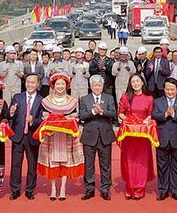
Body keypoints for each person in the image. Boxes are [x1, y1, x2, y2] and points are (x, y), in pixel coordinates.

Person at [38, 72, 82, 201]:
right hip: (51, 135)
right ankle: (53, 188)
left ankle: (63, 188)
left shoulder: (72, 101)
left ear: (66, 85)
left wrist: (69, 119)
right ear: (53, 85)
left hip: (66, 135)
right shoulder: (46, 101)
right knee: (52, 160)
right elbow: (44, 116)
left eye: (63, 84)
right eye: (58, 84)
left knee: (66, 160)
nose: (60, 86)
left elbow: (74, 117)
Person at [79, 74, 117, 201]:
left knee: (105, 164)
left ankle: (105, 188)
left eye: (99, 85)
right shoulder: (84, 99)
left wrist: (102, 112)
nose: (97, 87)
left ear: (103, 86)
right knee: (89, 165)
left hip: (105, 135)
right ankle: (89, 188)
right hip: (89, 136)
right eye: (94, 85)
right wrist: (93, 112)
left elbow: (113, 113)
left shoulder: (109, 98)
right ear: (90, 86)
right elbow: (82, 116)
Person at [117, 73, 155, 200]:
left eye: (138, 81)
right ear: (130, 84)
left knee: (142, 161)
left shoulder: (149, 98)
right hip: (129, 134)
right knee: (129, 161)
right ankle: (129, 187)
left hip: (143, 135)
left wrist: (147, 120)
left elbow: (150, 114)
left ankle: (139, 188)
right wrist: (128, 120)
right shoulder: (125, 97)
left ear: (142, 82)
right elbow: (121, 113)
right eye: (133, 82)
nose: (135, 84)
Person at [7, 73, 44, 200]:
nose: (30, 84)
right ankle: (15, 189)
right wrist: (11, 113)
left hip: (32, 136)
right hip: (18, 135)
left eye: (33, 82)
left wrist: (33, 120)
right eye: (28, 82)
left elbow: (42, 120)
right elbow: (11, 115)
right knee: (16, 164)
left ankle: (29, 190)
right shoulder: (17, 97)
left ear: (38, 84)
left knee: (32, 165)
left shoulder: (41, 100)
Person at [151, 79, 177, 201]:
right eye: (168, 89)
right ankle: (163, 190)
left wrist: (173, 115)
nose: (170, 91)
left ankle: (176, 191)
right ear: (164, 89)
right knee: (162, 166)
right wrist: (164, 115)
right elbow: (154, 115)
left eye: (173, 89)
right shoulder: (157, 102)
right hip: (162, 139)